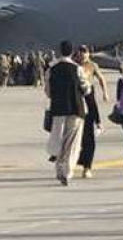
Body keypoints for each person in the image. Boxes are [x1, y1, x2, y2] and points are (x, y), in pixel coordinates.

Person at [45, 41, 90, 186]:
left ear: (60, 51)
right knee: (72, 142)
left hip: (58, 109)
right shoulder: (77, 69)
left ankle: (58, 169)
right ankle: (67, 171)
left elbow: (48, 91)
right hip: (76, 109)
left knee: (59, 140)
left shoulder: (51, 69)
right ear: (72, 53)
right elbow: (86, 88)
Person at [76, 45, 107, 179]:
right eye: (81, 53)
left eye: (85, 52)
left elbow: (101, 78)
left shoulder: (92, 65)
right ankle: (77, 160)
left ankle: (87, 167)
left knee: (89, 137)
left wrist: (105, 92)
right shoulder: (73, 65)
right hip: (76, 100)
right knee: (77, 138)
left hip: (89, 98)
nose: (83, 55)